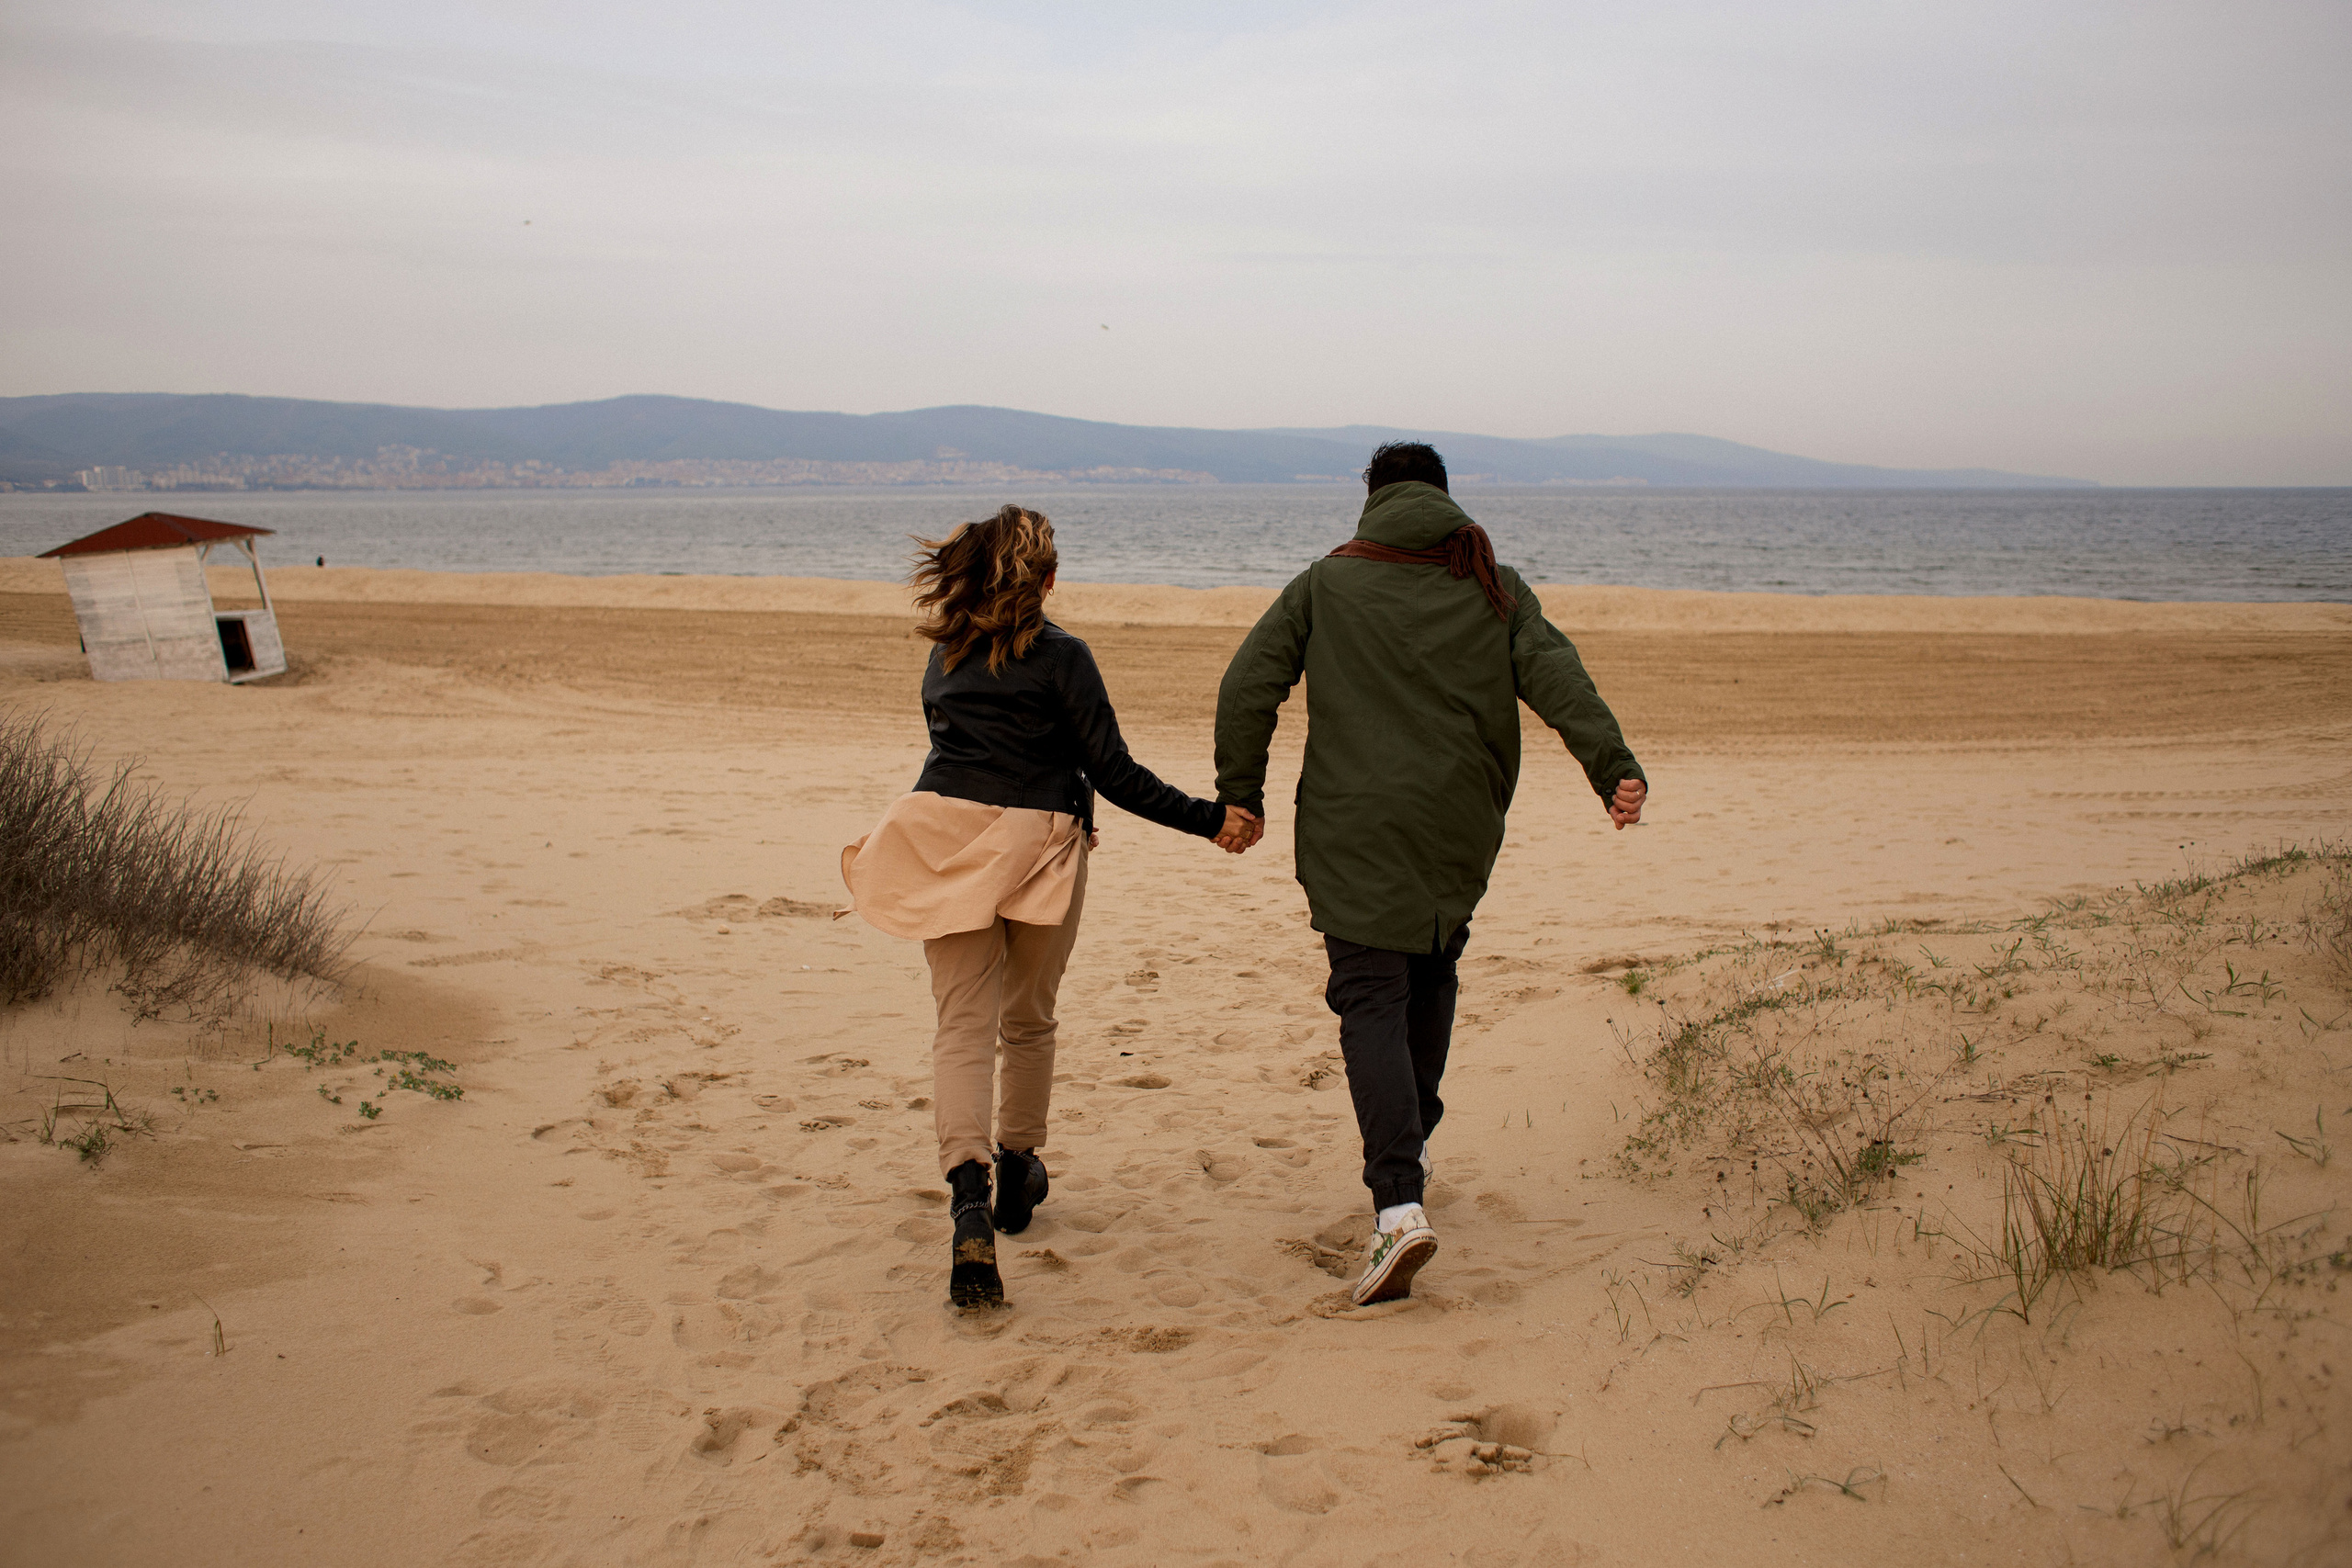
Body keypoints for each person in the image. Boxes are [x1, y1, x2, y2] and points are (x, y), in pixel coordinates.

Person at [1213, 443, 1645, 1306]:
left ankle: (1397, 1202)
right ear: (1445, 501)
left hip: (1353, 828)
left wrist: (1240, 792)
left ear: (1371, 501)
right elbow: (1558, 676)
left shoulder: (1325, 583)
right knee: (1431, 971)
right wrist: (1614, 767)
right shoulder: (1491, 583)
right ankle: (1410, 1148)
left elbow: (1247, 682)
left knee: (1371, 993)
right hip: (1458, 829)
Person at [842, 504, 1259, 1309]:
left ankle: (969, 1197)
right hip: (1041, 847)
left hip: (945, 841)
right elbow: (1116, 771)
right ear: (1049, 580)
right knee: (1026, 1017)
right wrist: (1213, 819)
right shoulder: (1064, 655)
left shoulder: (946, 657)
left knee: (961, 1024)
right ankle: (1019, 1163)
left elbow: (949, 755)